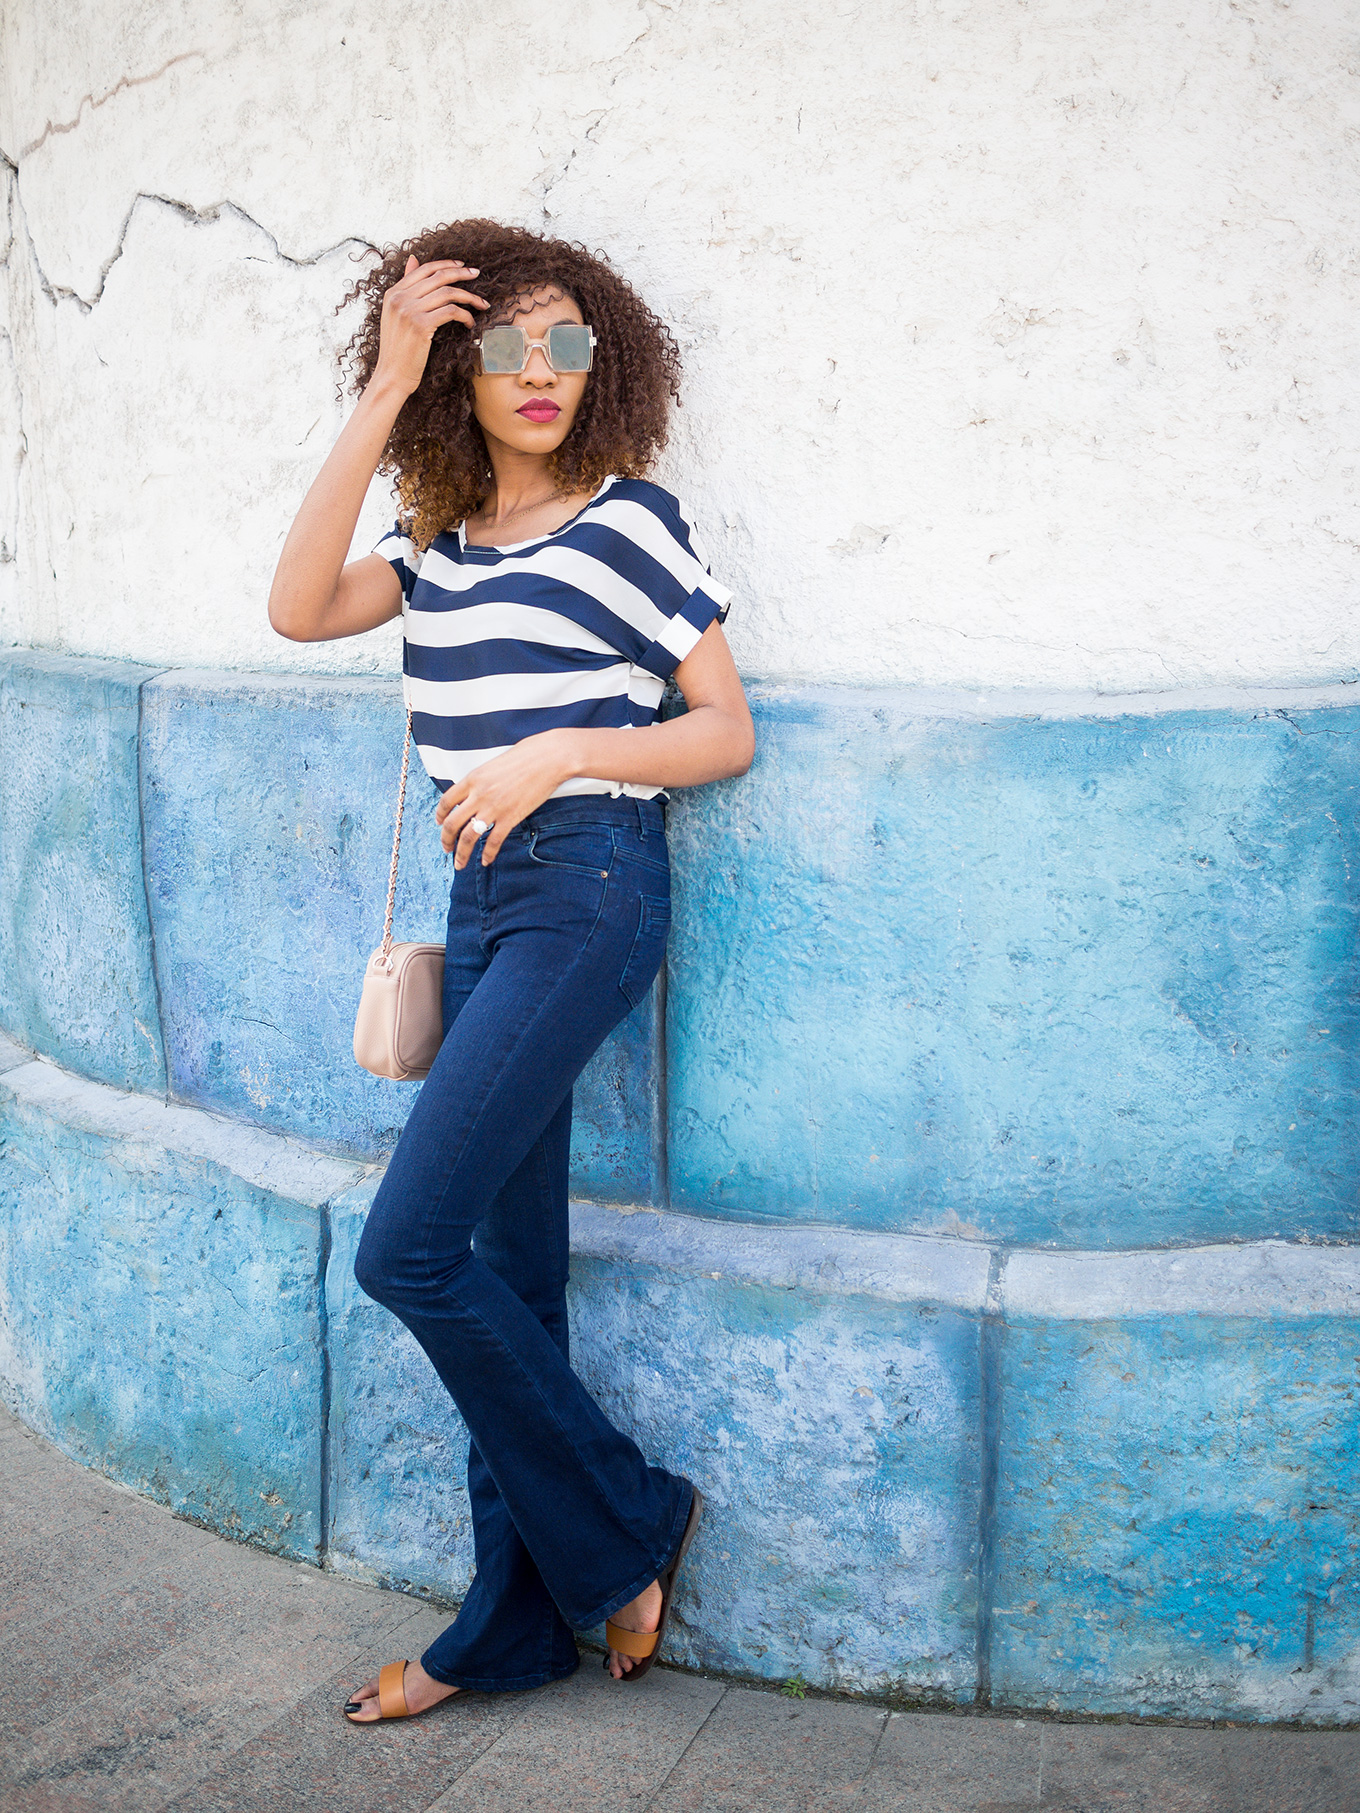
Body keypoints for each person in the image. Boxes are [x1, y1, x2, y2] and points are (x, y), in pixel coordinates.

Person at [267, 219, 754, 1721]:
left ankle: (619, 1525)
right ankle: (510, 1625)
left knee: (405, 1249)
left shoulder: (631, 522)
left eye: (567, 344)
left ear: (603, 361)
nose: (540, 374)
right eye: (503, 348)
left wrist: (556, 749)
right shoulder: (432, 551)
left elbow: (722, 730)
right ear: (455, 376)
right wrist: (384, 377)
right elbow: (293, 605)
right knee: (510, 1275)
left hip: (591, 885)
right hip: (483, 912)